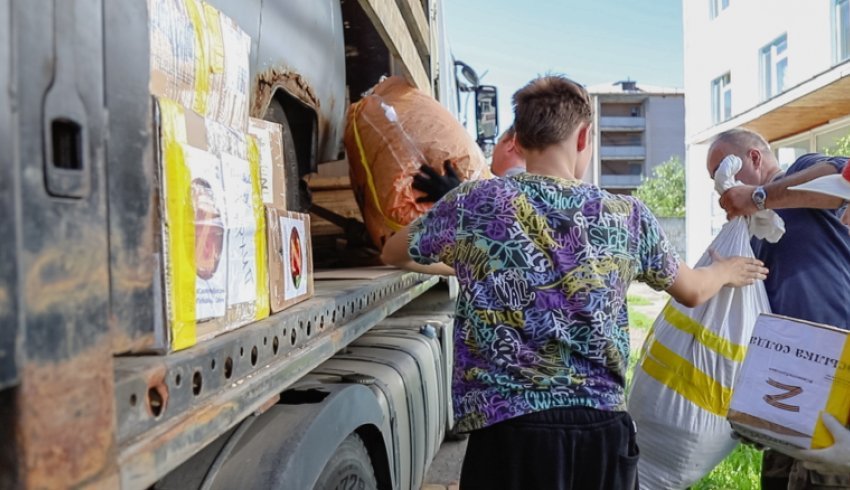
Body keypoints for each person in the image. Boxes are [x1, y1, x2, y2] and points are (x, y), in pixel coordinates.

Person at [382, 75, 767, 490]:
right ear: (584, 137)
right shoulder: (626, 215)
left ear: (517, 140)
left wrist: (474, 261)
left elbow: (394, 252)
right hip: (600, 431)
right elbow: (692, 290)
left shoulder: (474, 202)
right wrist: (726, 271)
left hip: (507, 430)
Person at [708, 128, 850, 489]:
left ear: (754, 159)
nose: (721, 190)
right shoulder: (751, 230)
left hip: (839, 373)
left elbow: (840, 176)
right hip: (786, 382)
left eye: (724, 172)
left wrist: (758, 197)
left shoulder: (800, 171)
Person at [412, 126, 526, 203]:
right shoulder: (534, 187)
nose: (494, 150)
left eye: (498, 142)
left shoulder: (517, 189)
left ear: (511, 144)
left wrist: (457, 198)